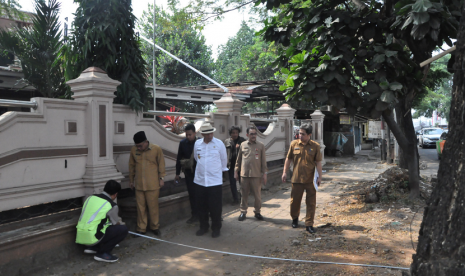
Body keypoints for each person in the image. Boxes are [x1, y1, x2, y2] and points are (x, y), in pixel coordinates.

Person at [281, 123, 323, 234]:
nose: (300, 135)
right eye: (299, 133)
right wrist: (284, 172)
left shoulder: (315, 146)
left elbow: (318, 162)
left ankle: (309, 224)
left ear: (309, 134)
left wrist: (320, 177)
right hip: (296, 179)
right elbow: (288, 159)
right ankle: (295, 219)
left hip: (310, 180)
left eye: (303, 134)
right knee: (294, 201)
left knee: (311, 203)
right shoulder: (294, 144)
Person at [76, 180, 128, 263]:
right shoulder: (111, 205)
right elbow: (116, 222)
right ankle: (103, 253)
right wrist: (122, 224)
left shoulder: (90, 198)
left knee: (103, 224)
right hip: (93, 237)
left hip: (80, 235)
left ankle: (93, 248)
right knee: (123, 229)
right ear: (115, 194)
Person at [193, 122, 228, 238]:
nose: (209, 136)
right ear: (202, 134)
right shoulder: (197, 144)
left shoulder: (219, 144)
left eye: (211, 133)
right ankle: (203, 226)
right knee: (201, 206)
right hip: (200, 181)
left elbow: (224, 161)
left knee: (215, 207)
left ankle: (216, 228)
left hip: (215, 182)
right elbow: (196, 158)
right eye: (207, 134)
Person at [129, 131, 166, 236]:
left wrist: (161, 178)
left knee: (153, 207)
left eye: (140, 146)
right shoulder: (134, 150)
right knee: (140, 208)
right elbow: (131, 166)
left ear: (146, 142)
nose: (138, 148)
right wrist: (131, 180)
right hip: (139, 185)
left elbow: (161, 164)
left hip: (153, 184)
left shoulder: (156, 149)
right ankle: (141, 228)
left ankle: (155, 226)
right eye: (137, 146)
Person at [235, 126, 268, 221]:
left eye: (255, 133)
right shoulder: (243, 145)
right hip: (244, 175)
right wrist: (236, 171)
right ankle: (243, 212)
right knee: (244, 194)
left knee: (257, 195)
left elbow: (263, 161)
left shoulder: (261, 145)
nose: (253, 136)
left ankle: (257, 212)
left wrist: (265, 174)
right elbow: (239, 160)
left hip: (256, 175)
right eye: (251, 134)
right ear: (247, 135)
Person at [175, 123, 198, 224]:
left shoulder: (200, 142)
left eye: (190, 134)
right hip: (189, 173)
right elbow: (179, 158)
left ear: (194, 133)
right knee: (192, 195)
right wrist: (177, 173)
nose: (188, 136)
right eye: (187, 134)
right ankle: (194, 215)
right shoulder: (183, 143)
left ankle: (205, 214)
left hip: (200, 173)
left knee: (202, 195)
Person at [224, 126, 246, 205]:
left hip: (241, 166)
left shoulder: (242, 141)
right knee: (232, 183)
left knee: (242, 183)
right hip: (231, 166)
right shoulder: (227, 141)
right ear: (230, 134)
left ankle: (243, 199)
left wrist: (240, 147)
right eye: (233, 133)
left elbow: (247, 152)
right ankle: (235, 199)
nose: (235, 134)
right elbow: (224, 153)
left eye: (236, 133)